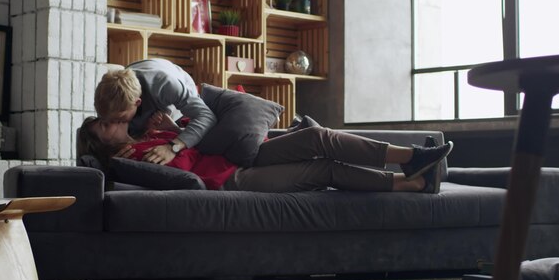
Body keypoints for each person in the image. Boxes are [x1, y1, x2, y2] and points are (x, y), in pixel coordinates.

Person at [77, 115, 454, 193]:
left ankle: (411, 156)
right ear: (103, 142)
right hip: (233, 179)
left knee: (317, 136)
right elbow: (187, 168)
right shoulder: (131, 156)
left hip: (244, 154)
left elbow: (203, 131)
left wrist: (176, 130)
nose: (110, 121)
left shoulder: (155, 131)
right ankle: (414, 183)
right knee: (323, 170)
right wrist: (175, 145)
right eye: (102, 126)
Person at [94, 58, 216, 161]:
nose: (114, 124)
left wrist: (173, 147)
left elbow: (206, 116)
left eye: (119, 119)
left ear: (137, 103)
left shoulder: (165, 84)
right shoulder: (110, 95)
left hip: (176, 102)